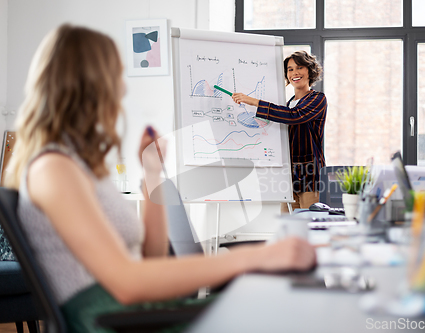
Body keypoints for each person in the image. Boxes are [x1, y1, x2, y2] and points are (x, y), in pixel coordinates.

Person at [5, 24, 316, 332]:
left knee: (280, 306)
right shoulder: (53, 169)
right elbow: (127, 284)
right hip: (110, 320)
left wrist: (150, 173)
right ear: (88, 83)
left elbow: (151, 261)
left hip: (135, 313)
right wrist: (254, 257)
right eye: (116, 75)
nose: (122, 89)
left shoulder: (81, 166)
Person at [232, 51, 327, 212]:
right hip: (288, 177)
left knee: (311, 228)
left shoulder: (317, 99)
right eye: (290, 69)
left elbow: (294, 116)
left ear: (310, 71)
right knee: (288, 227)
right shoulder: (288, 103)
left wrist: (254, 102)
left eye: (299, 67)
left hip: (310, 176)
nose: (294, 73)